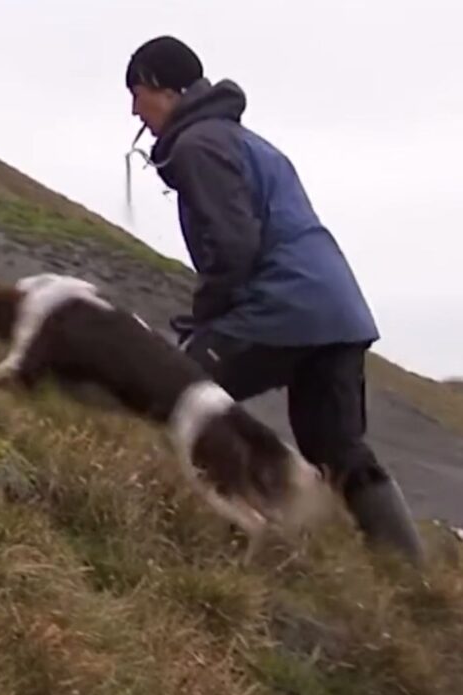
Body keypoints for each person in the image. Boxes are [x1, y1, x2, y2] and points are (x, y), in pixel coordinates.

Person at [123, 36, 425, 566]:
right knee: (337, 447)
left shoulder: (198, 145)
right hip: (337, 310)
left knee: (178, 389)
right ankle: (411, 575)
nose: (133, 111)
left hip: (282, 306)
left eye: (136, 93)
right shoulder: (242, 139)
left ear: (163, 88)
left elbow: (233, 246)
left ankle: (191, 523)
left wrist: (205, 320)